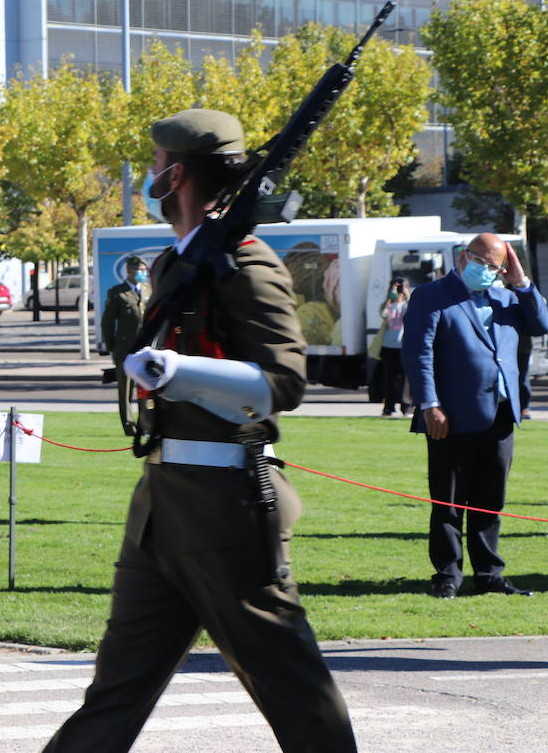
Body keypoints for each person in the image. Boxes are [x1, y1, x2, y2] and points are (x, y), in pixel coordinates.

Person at [45, 108, 355, 752]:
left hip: (226, 512)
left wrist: (181, 372)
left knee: (294, 695)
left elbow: (283, 382)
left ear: (177, 173)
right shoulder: (175, 264)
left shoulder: (247, 264)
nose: (151, 175)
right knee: (115, 693)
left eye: (157, 165)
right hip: (161, 509)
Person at [402, 232, 548, 600]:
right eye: (477, 259)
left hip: (499, 415)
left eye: (492, 265)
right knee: (449, 500)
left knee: (490, 498)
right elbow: (418, 354)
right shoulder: (432, 296)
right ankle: (447, 575)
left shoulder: (506, 298)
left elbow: (542, 325)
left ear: (503, 268)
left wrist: (522, 282)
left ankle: (489, 574)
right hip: (449, 416)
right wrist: (429, 405)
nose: (482, 268)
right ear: (463, 256)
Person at [99, 256, 149, 436]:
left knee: (146, 389)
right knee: (126, 390)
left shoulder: (147, 290)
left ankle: (144, 424)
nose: (143, 274)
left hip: (146, 350)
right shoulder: (117, 293)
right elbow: (107, 323)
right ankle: (129, 427)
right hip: (125, 350)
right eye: (140, 271)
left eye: (145, 270)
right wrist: (112, 347)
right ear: (129, 271)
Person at [378, 277, 410, 416]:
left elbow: (415, 313)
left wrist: (407, 295)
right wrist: (390, 297)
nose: (399, 290)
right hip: (388, 347)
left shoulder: (408, 305)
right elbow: (382, 313)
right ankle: (388, 407)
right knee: (389, 378)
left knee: (405, 379)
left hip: (404, 346)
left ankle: (406, 407)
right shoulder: (389, 305)